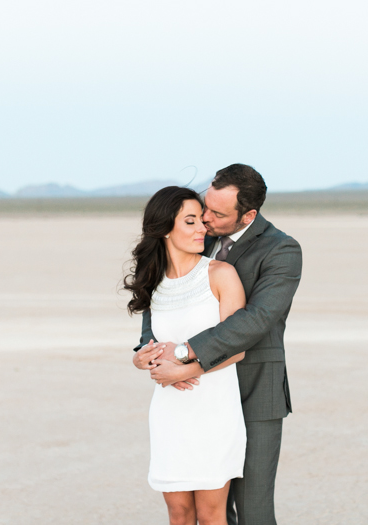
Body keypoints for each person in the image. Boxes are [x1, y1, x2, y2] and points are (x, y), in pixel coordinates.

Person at [135, 164, 303, 525]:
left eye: (217, 213)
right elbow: (162, 298)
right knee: (210, 511)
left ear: (249, 215)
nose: (206, 219)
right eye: (204, 207)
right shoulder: (197, 235)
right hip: (196, 397)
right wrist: (148, 353)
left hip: (254, 392)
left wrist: (182, 356)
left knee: (253, 511)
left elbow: (254, 320)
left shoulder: (282, 250)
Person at [125, 186, 248, 525]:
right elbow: (149, 342)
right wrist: (141, 358)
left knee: (211, 515)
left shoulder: (220, 275)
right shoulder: (154, 282)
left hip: (213, 409)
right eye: (190, 221)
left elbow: (236, 348)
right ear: (165, 227)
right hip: (170, 413)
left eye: (202, 221)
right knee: (178, 513)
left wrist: (182, 371)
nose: (201, 229)